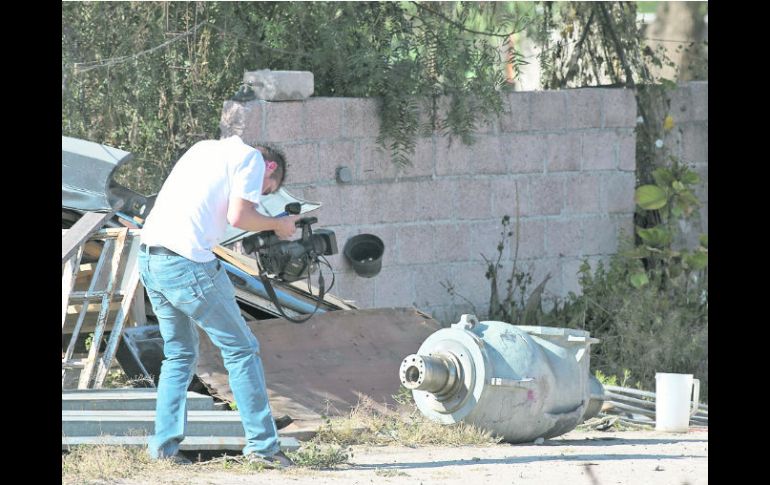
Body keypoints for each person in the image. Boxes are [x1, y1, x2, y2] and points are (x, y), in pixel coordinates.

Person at [137, 135, 299, 467]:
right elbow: (241, 216)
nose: (262, 194)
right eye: (267, 189)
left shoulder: (204, 149)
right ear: (271, 168)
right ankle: (263, 447)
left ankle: (163, 448)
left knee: (180, 354)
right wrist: (278, 225)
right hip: (186, 264)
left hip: (150, 259)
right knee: (241, 349)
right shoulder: (252, 160)